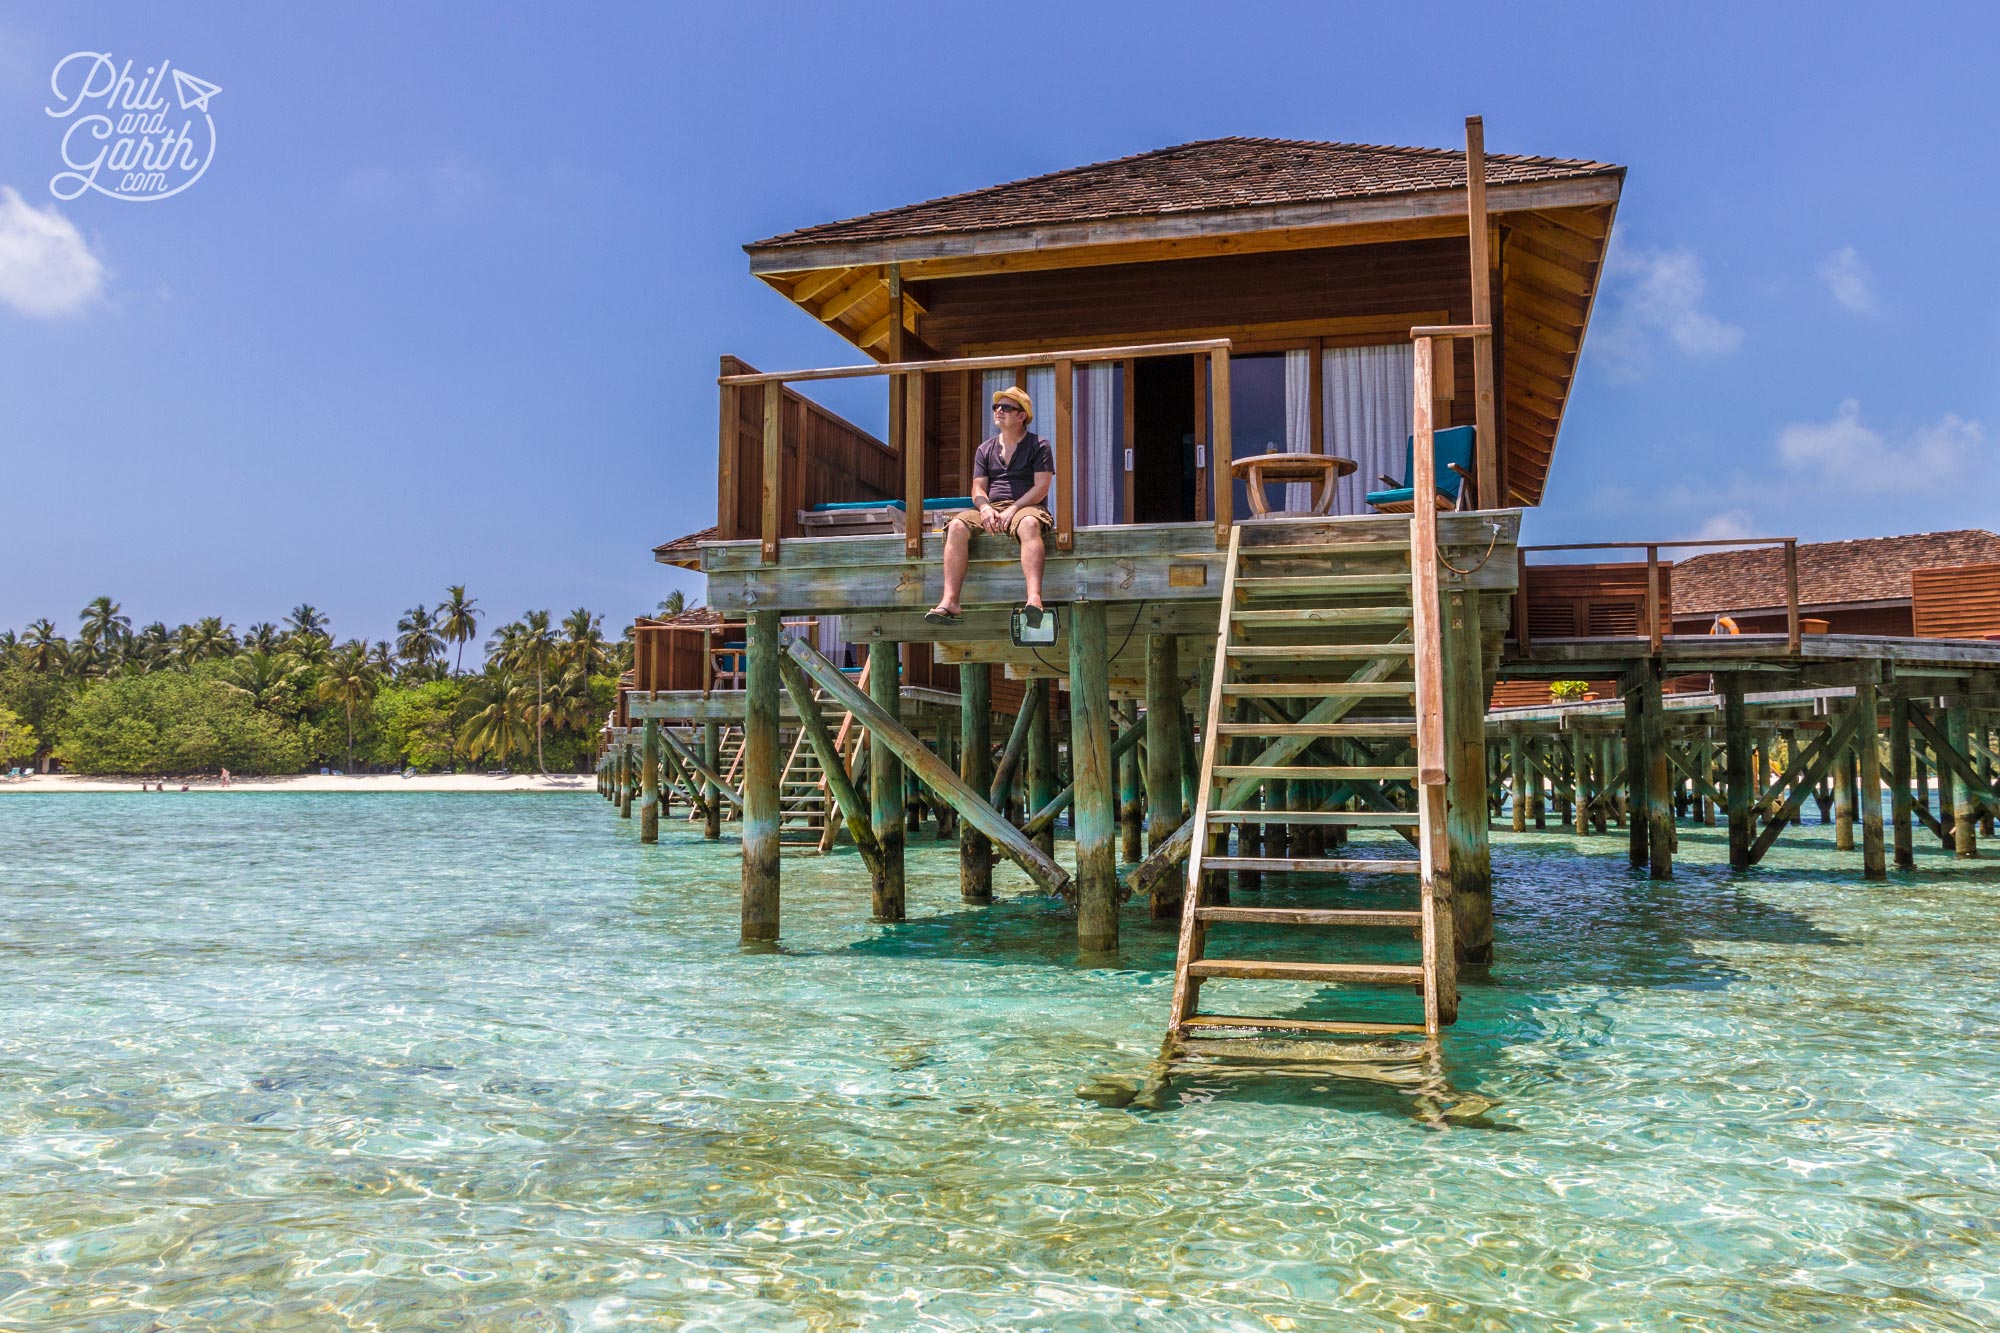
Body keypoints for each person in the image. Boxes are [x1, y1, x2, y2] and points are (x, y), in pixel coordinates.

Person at [926, 386, 1054, 624]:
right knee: (955, 526)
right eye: (996, 406)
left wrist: (1014, 509)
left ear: (1021, 415)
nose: (998, 411)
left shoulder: (1039, 445)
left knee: (1028, 524)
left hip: (1027, 506)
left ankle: (1034, 599)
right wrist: (985, 508)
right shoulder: (985, 449)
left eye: (1006, 407)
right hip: (991, 507)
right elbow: (977, 488)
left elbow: (1041, 488)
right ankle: (950, 601)